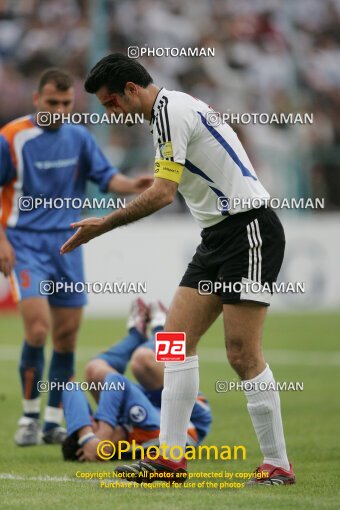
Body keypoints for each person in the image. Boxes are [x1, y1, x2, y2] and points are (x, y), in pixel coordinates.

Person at [60, 54, 295, 485]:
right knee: (173, 344)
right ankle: (170, 460)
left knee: (243, 355)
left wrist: (103, 223)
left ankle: (277, 463)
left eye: (111, 103)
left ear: (132, 89)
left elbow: (163, 194)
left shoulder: (169, 112)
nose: (111, 113)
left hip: (249, 231)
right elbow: (165, 185)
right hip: (217, 238)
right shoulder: (167, 112)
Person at [0, 67, 153, 446]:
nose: (60, 110)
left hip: (69, 244)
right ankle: (30, 415)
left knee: (66, 338)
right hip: (25, 245)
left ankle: (54, 419)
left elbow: (106, 177)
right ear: (37, 100)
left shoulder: (79, 138)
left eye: (66, 104)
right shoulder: (11, 138)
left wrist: (133, 185)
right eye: (52, 102)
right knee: (37, 330)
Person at [62, 298, 212, 464]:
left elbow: (70, 387)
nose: (93, 420)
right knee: (142, 361)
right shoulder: (143, 433)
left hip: (151, 404)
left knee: (93, 372)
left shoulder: (111, 426)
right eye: (92, 425)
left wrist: (86, 436)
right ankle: (163, 328)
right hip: (191, 412)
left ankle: (136, 335)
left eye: (89, 424)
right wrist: (100, 434)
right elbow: (117, 381)